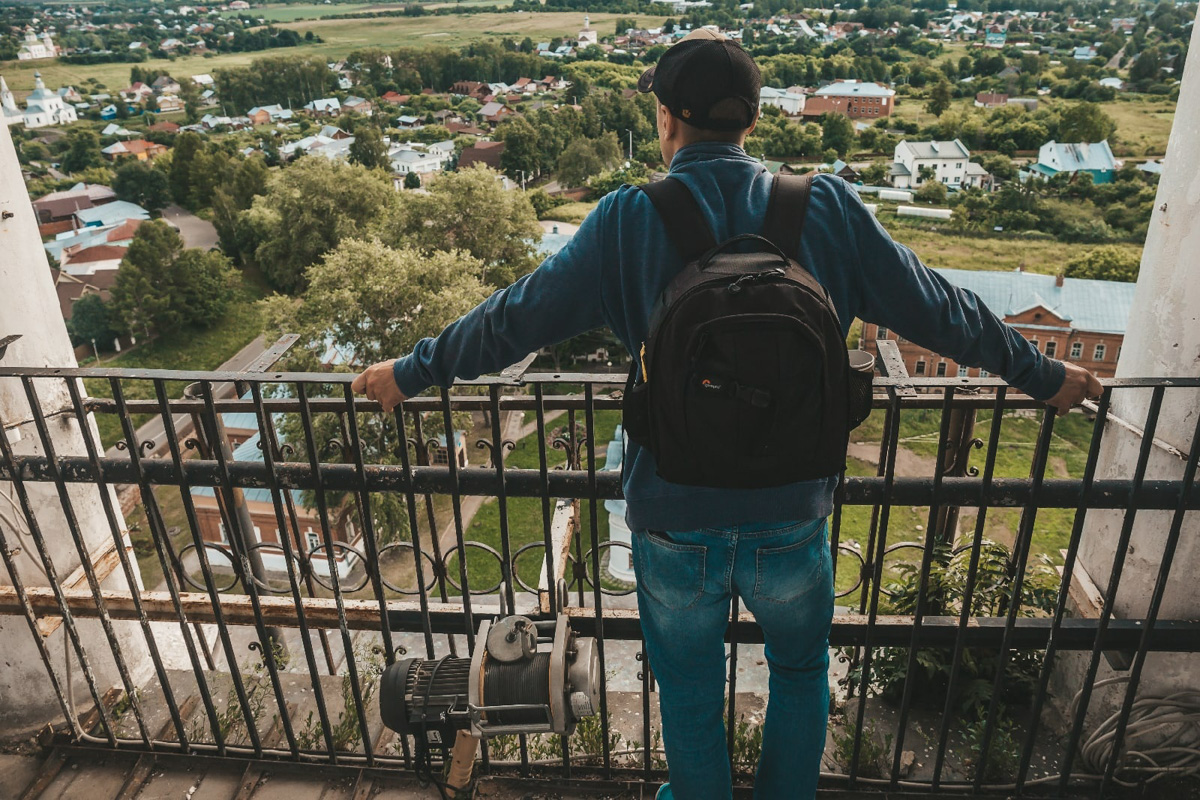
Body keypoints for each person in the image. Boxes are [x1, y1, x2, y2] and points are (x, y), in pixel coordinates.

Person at [353, 29, 1102, 800]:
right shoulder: (828, 208)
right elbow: (943, 310)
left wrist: (412, 372)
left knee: (685, 689)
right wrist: (1042, 374)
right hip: (792, 509)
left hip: (674, 514)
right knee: (803, 673)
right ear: (751, 121)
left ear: (669, 120)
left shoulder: (625, 220)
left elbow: (512, 319)